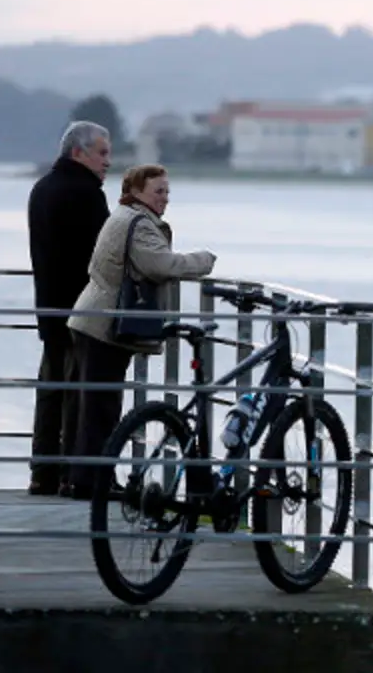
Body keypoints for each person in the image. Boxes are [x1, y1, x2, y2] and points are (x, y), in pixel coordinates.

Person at [64, 164, 217, 500]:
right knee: (101, 408)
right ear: (136, 192)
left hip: (92, 319)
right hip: (104, 323)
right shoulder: (139, 222)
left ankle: (79, 477)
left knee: (90, 406)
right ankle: (91, 483)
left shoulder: (125, 215)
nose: (164, 199)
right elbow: (161, 265)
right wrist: (204, 260)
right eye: (157, 191)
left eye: (167, 192)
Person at [26, 121, 113, 496]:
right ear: (78, 153)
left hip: (48, 305)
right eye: (102, 153)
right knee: (79, 395)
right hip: (81, 309)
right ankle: (72, 476)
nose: (108, 162)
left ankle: (42, 473)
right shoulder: (86, 194)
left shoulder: (41, 189)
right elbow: (104, 254)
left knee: (51, 390)